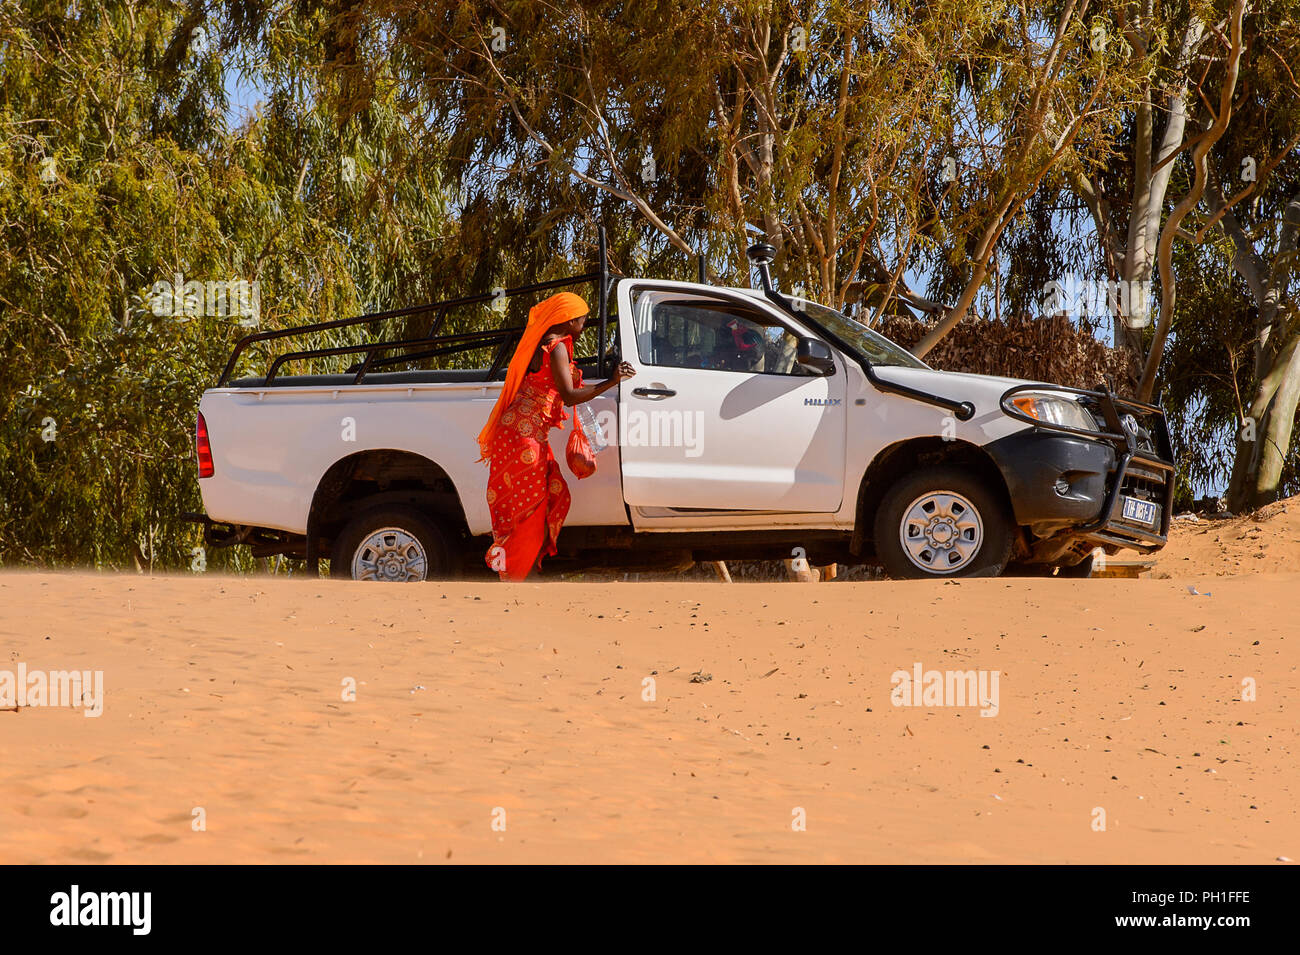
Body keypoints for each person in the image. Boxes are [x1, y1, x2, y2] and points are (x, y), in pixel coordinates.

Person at [476, 292, 636, 581]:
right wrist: (612, 381)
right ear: (571, 319)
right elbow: (569, 395)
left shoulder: (543, 342)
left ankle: (523, 568)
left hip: (518, 433)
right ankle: (517, 576)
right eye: (583, 320)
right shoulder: (558, 347)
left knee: (549, 495)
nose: (585, 325)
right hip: (524, 436)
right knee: (531, 509)